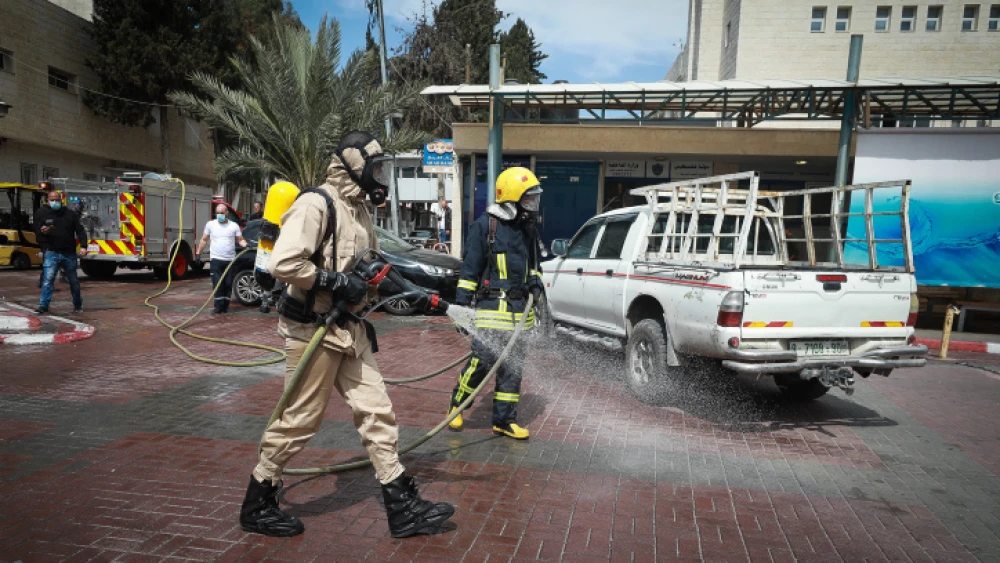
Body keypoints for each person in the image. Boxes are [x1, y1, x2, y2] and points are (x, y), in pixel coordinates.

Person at [240, 131, 454, 539]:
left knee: (378, 412)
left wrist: (421, 297)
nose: (382, 177)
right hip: (313, 331)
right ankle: (258, 501)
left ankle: (401, 506)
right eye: (377, 169)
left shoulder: (358, 211)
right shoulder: (315, 204)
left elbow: (372, 266)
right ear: (355, 169)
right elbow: (285, 263)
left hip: (349, 330)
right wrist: (336, 281)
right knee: (299, 421)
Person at [446, 167, 544, 440]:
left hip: (518, 315)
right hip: (491, 312)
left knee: (513, 370)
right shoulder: (485, 226)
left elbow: (534, 266)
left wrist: (535, 284)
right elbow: (470, 269)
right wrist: (462, 307)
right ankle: (457, 405)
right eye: (529, 199)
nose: (533, 206)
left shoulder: (528, 229)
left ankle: (504, 420)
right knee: (482, 362)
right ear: (512, 199)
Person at [34, 190, 88, 314]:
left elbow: (80, 231)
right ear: (47, 200)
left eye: (57, 199)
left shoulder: (70, 214)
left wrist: (84, 246)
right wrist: (43, 234)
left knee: (73, 281)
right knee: (48, 280)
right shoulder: (41, 213)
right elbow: (37, 230)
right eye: (52, 200)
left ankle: (77, 305)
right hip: (51, 252)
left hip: (68, 253)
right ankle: (43, 306)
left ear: (61, 200)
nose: (54, 202)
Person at [195, 204, 247, 314]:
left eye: (222, 213)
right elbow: (204, 239)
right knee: (217, 283)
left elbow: (240, 239)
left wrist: (246, 245)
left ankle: (225, 306)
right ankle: (218, 306)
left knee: (228, 284)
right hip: (216, 259)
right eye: (218, 213)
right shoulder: (210, 225)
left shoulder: (234, 226)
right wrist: (198, 253)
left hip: (230, 260)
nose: (220, 215)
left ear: (227, 213)